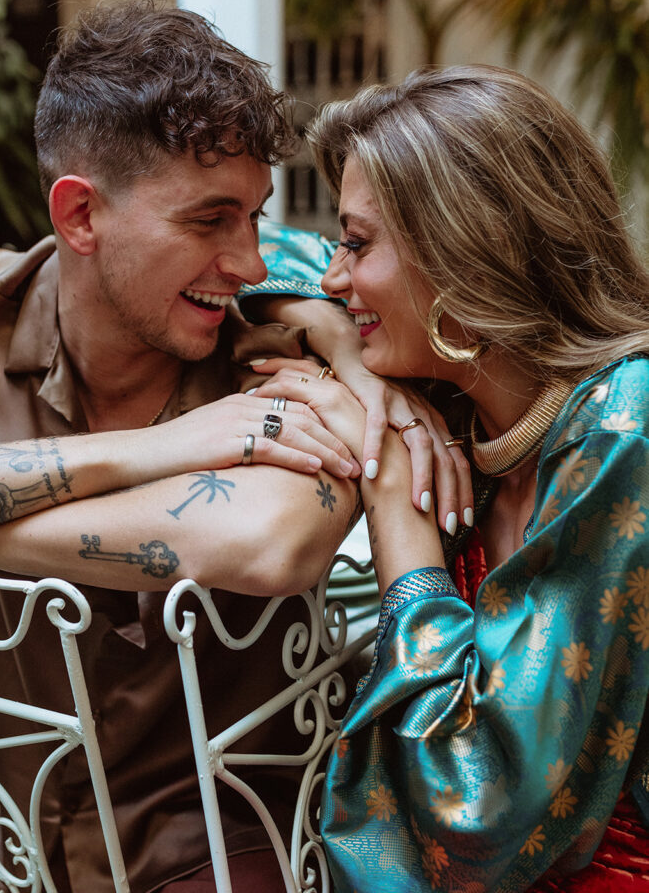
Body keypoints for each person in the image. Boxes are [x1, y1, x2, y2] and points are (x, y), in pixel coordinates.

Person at [0, 0, 362, 893]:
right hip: (13, 840)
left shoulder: (284, 361)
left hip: (233, 849)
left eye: (255, 218)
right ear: (79, 217)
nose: (251, 262)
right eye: (208, 220)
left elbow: (271, 545)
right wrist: (159, 451)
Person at [251, 65, 649, 891]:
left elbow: (475, 801)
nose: (330, 274)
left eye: (356, 244)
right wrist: (354, 365)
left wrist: (395, 496)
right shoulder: (467, 405)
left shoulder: (623, 424)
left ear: (465, 249)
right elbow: (246, 266)